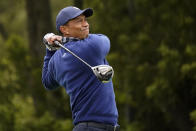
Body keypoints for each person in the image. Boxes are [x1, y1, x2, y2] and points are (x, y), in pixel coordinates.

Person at [42, 6, 119, 131]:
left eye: (85, 20)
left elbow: (47, 82)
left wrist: (49, 49)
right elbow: (105, 40)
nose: (86, 24)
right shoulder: (91, 47)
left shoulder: (56, 59)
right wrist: (63, 40)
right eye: (79, 21)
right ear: (64, 29)